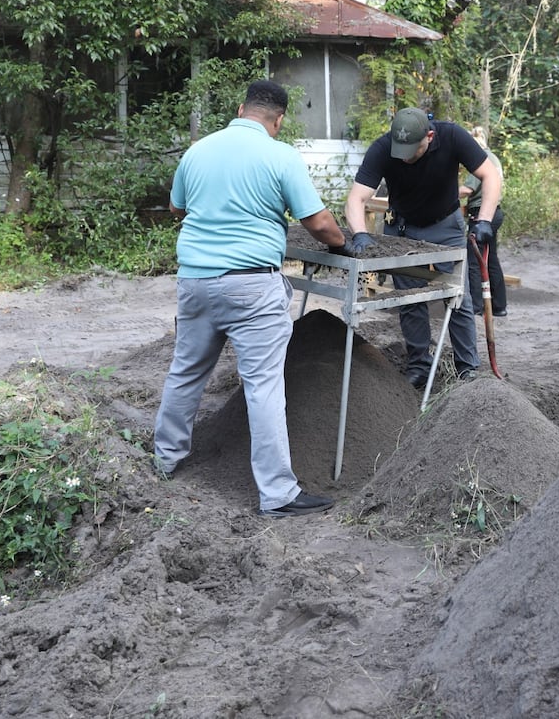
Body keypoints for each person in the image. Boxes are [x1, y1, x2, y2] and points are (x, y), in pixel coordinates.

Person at [153, 80, 348, 518]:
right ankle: (277, 494)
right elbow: (318, 222)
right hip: (251, 286)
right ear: (278, 120)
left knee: (185, 372)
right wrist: (341, 246)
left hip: (196, 281)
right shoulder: (280, 155)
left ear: (241, 108)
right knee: (262, 385)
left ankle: (164, 460)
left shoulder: (198, 151)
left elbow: (177, 209)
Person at [345, 107, 501, 389]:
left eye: (411, 150)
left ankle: (467, 370)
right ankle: (419, 364)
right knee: (410, 298)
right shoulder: (382, 147)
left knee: (458, 297)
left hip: (446, 226)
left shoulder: (452, 136)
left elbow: (490, 175)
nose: (403, 157)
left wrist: (485, 219)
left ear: (429, 136)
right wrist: (361, 235)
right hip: (403, 228)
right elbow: (356, 198)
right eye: (399, 150)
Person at [461, 125, 508, 317]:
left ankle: (475, 306)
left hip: (481, 215)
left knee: (473, 260)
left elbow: (467, 190)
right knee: (492, 259)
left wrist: (443, 195)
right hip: (495, 213)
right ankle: (499, 306)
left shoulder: (480, 159)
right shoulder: (494, 157)